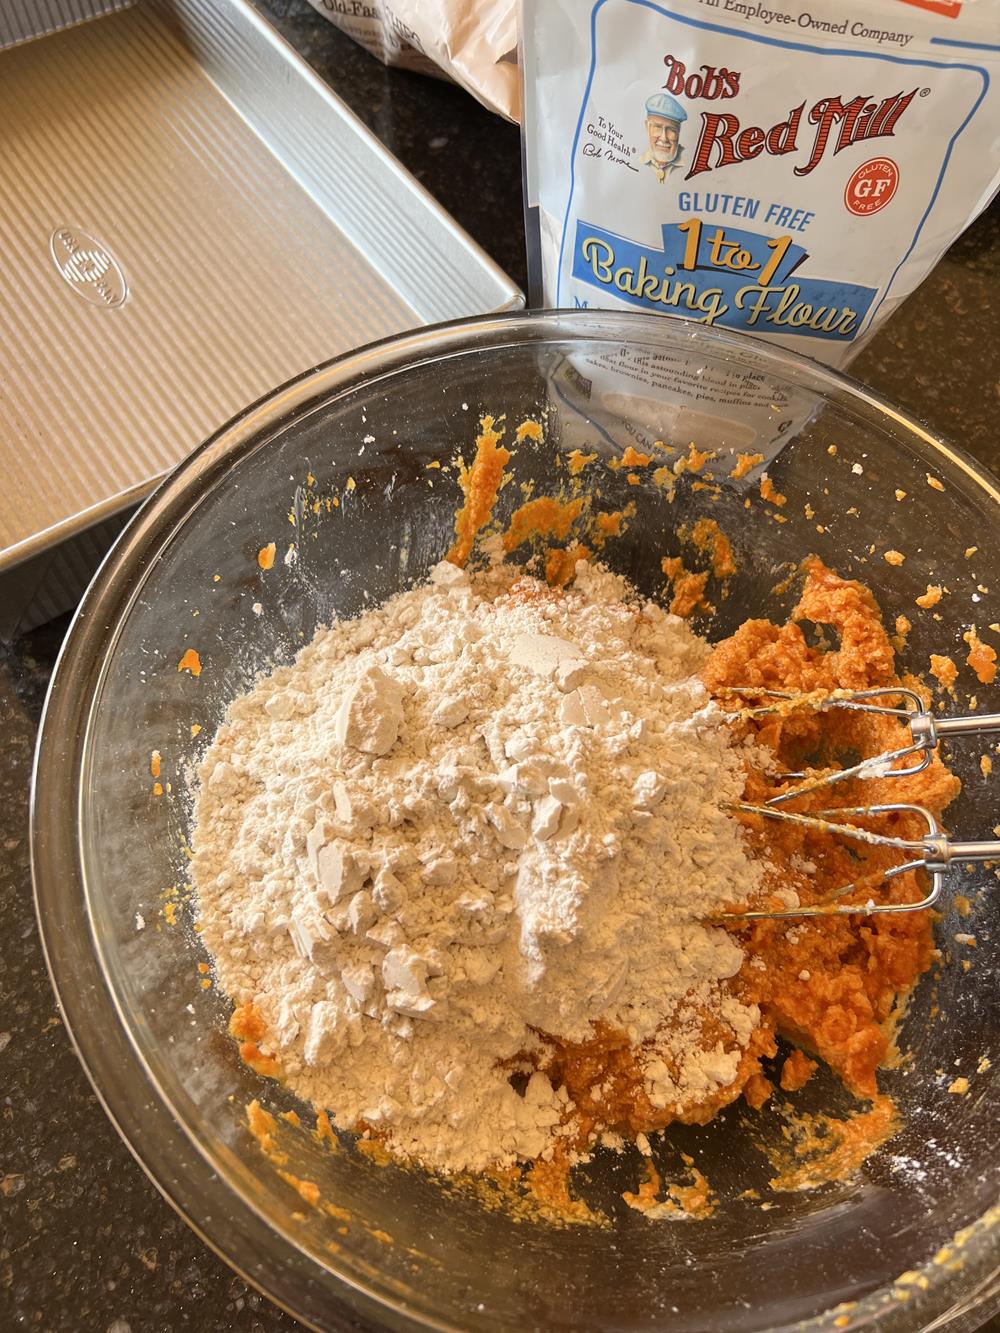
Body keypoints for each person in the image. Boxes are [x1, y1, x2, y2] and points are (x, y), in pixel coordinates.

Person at [639, 91, 687, 182]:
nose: (664, 138)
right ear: (647, 127)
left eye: (671, 130)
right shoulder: (638, 161)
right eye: (657, 127)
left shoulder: (689, 160)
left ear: (679, 132)